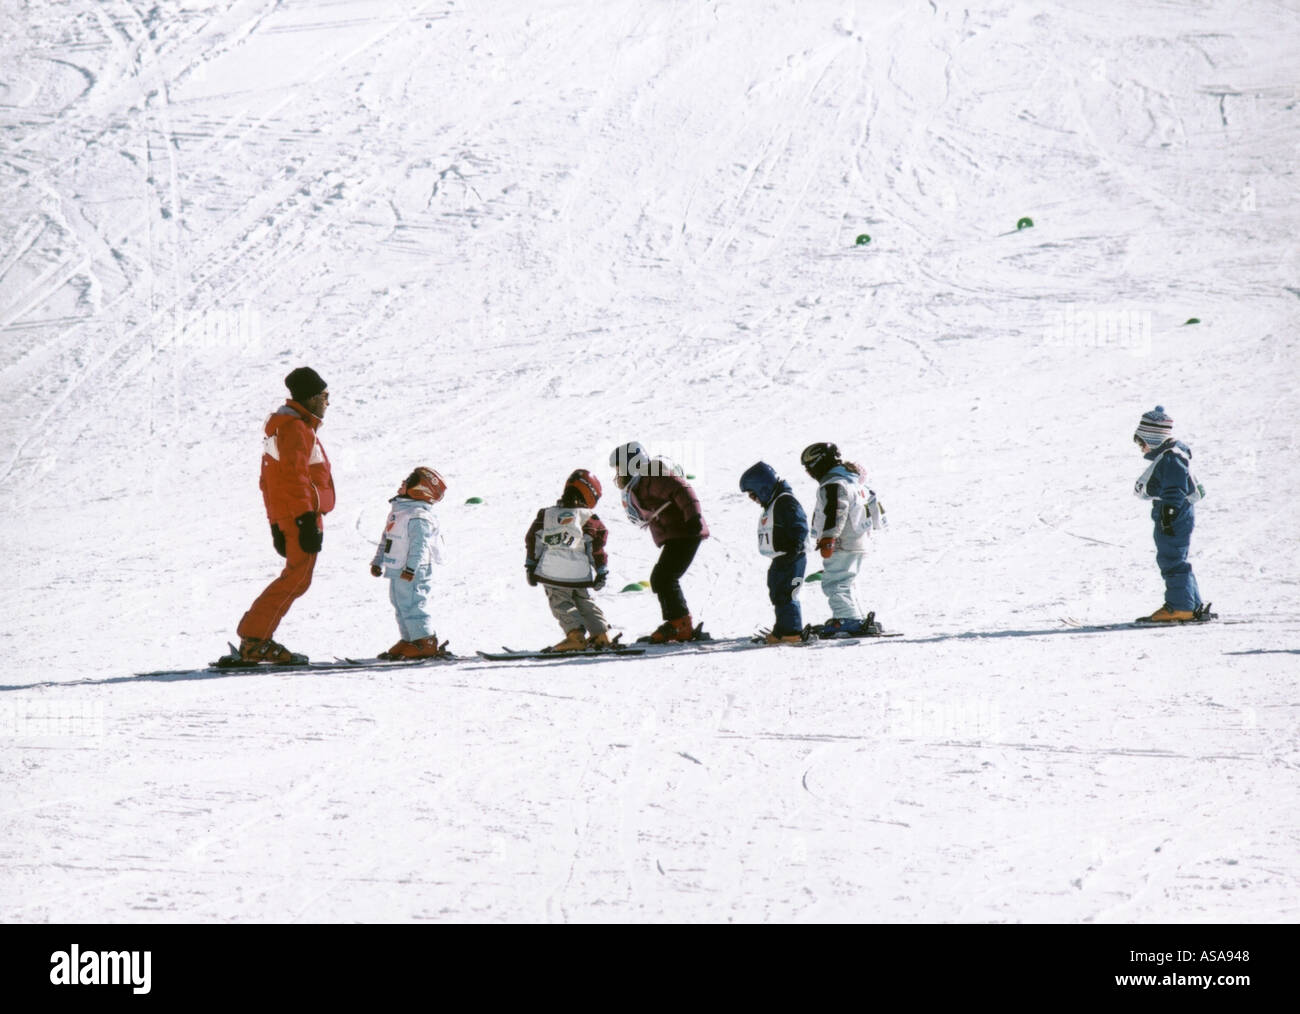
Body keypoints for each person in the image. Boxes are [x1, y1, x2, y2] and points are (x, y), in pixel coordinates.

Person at [235, 367, 335, 663]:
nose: (328, 403)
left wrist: (275, 523)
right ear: (312, 397)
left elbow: (269, 481)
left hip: (291, 514)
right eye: (325, 396)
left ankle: (255, 636)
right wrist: (303, 519)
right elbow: (294, 477)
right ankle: (255, 638)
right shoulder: (295, 429)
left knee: (297, 578)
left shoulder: (290, 426)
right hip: (299, 514)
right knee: (296, 578)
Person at [610, 441, 709, 643]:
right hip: (679, 534)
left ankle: (680, 624)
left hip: (687, 531)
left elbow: (683, 490)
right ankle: (677, 623)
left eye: (620, 469)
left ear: (632, 464)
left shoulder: (653, 476)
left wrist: (693, 518)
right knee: (662, 578)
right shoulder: (642, 483)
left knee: (663, 578)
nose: (618, 475)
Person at [801, 442, 886, 636]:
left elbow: (836, 510)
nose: (809, 473)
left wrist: (829, 538)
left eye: (809, 467)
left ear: (819, 463)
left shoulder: (834, 484)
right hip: (858, 539)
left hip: (843, 541)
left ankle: (847, 619)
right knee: (848, 581)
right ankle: (857, 617)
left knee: (835, 581)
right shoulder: (854, 482)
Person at [1132, 406, 1207, 622]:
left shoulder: (1171, 458)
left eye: (1141, 443)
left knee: (1171, 558)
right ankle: (1192, 604)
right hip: (1173, 512)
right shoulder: (1170, 455)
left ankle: (1180, 606)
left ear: (1153, 439)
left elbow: (1175, 488)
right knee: (1176, 558)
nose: (1141, 449)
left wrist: (1168, 513)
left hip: (1173, 513)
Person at [524, 469, 612, 652]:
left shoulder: (546, 515)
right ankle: (601, 635)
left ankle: (576, 636)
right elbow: (595, 546)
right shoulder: (589, 518)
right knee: (584, 601)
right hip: (579, 574)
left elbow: (533, 540)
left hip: (552, 571)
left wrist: (531, 566)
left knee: (560, 602)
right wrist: (601, 569)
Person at [370, 467, 448, 658]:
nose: (403, 483)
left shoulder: (418, 515)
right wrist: (377, 561)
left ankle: (425, 640)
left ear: (420, 489)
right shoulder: (400, 511)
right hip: (397, 567)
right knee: (399, 603)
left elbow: (419, 545)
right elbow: (386, 538)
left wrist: (411, 567)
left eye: (409, 481)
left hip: (412, 569)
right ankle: (410, 639)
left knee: (413, 603)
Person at [739, 461, 808, 644]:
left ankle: (791, 631)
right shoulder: (776, 502)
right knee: (777, 592)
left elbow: (799, 525)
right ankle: (782, 627)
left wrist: (795, 546)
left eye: (753, 495)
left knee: (787, 593)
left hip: (792, 556)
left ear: (762, 488)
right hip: (781, 557)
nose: (753, 500)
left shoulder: (785, 501)